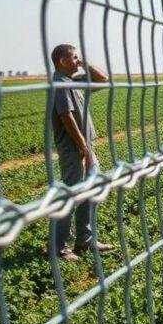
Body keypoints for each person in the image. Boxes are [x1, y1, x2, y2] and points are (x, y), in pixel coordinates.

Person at [48, 43, 113, 261]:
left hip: (85, 145)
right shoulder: (59, 84)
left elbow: (103, 80)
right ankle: (58, 247)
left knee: (92, 188)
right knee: (73, 193)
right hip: (73, 146)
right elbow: (66, 116)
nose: (77, 61)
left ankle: (85, 239)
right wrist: (82, 145)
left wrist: (84, 62)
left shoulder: (73, 81)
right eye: (74, 58)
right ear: (62, 62)